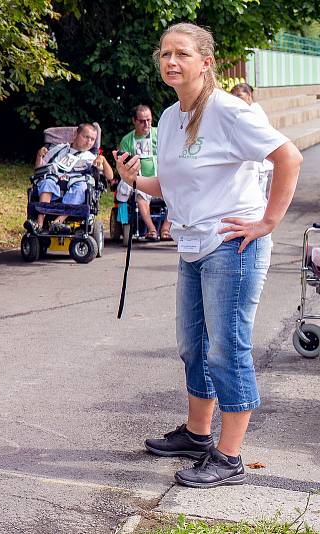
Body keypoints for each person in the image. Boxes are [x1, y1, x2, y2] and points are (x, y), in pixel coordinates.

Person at [114, 23, 302, 489]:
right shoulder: (169, 117)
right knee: (192, 346)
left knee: (227, 350)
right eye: (164, 54)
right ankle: (197, 435)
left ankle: (230, 456)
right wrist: (132, 179)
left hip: (232, 246)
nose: (170, 62)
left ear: (206, 61)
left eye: (181, 53)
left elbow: (289, 158)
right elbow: (171, 185)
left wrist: (267, 222)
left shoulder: (230, 111)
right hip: (193, 246)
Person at [25, 123, 113, 234]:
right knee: (47, 182)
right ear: (76, 134)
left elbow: (110, 176)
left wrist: (103, 160)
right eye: (86, 137)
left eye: (92, 139)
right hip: (55, 184)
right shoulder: (59, 149)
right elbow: (39, 170)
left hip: (76, 186)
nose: (89, 142)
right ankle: (39, 224)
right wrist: (39, 156)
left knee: (81, 187)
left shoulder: (92, 158)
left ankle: (57, 223)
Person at [119, 105, 172, 240]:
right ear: (134, 121)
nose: (146, 124)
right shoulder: (127, 140)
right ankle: (152, 229)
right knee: (141, 196)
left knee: (176, 193)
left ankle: (166, 228)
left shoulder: (159, 134)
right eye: (142, 121)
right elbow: (123, 163)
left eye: (149, 120)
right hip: (141, 180)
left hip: (162, 177)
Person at [230, 83, 274, 200]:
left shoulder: (253, 112)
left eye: (239, 95)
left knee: (258, 197)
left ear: (249, 95)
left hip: (258, 163)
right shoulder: (247, 111)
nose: (236, 99)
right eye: (233, 96)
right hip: (255, 162)